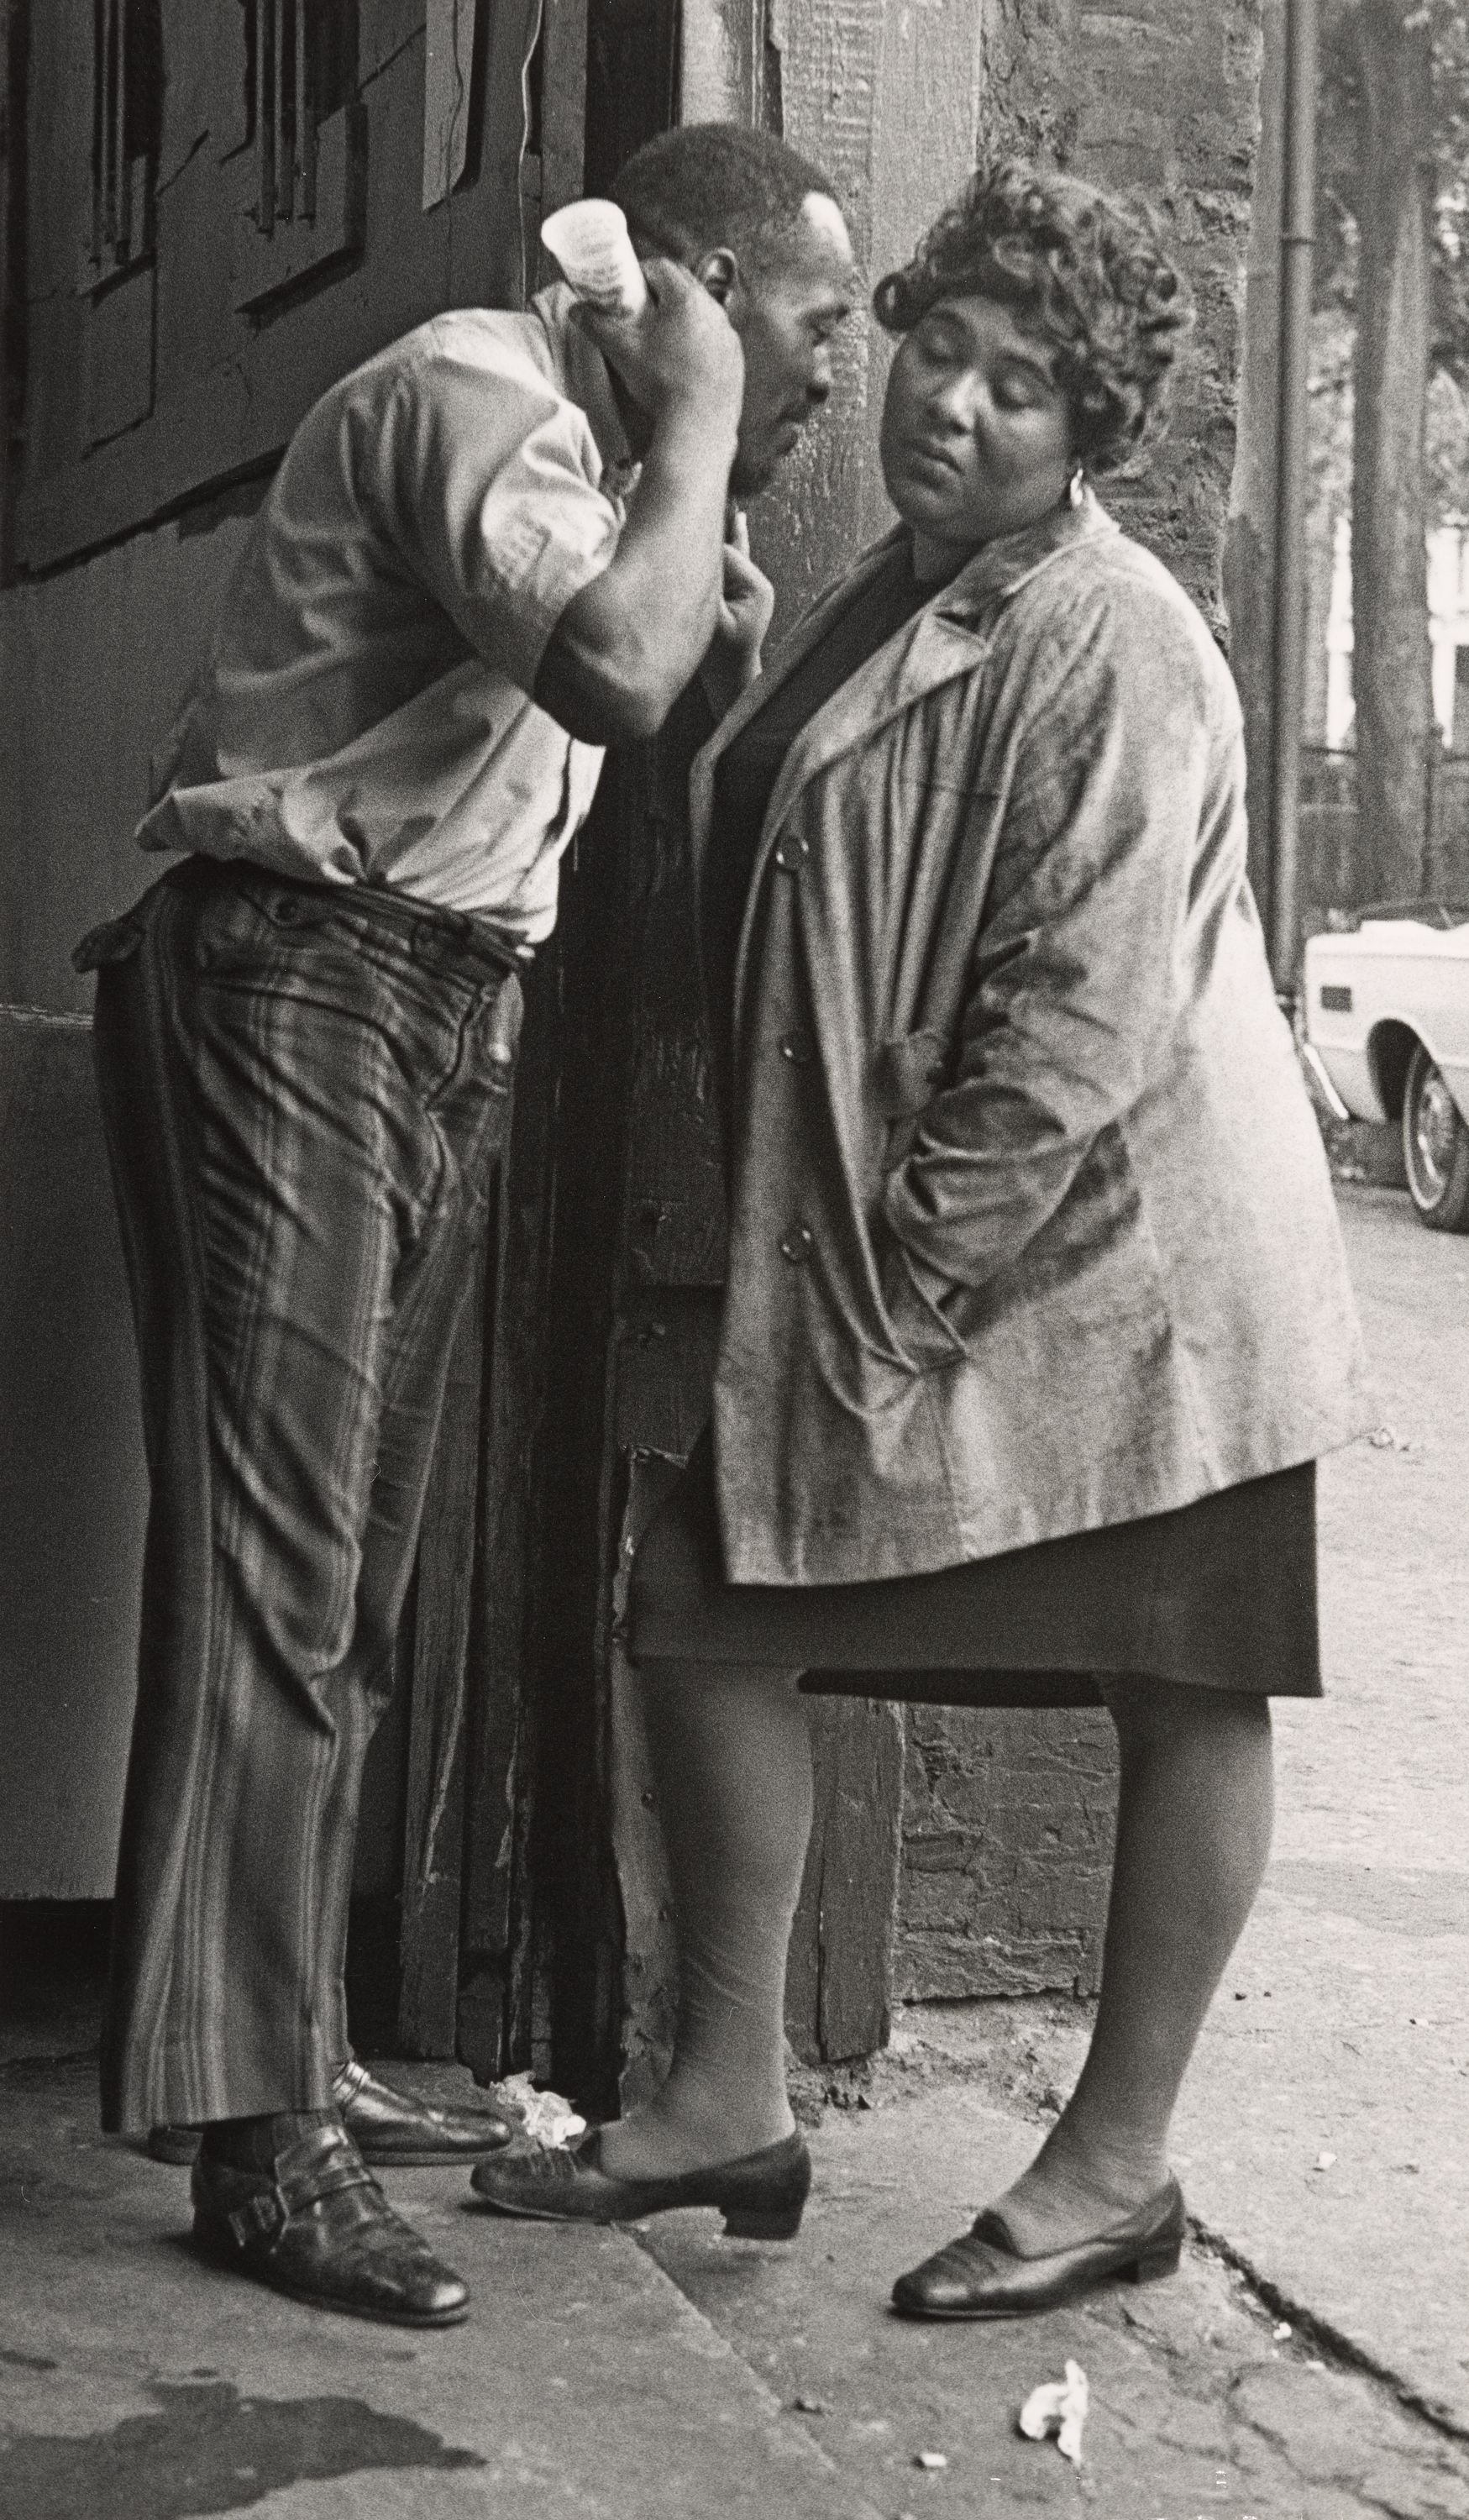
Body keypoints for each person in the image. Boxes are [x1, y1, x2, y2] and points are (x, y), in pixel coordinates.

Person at [468, 160, 1372, 2317]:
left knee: (1183, 1674)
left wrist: (899, 1289)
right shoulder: (870, 584)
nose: (950, 406)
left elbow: (1075, 1012)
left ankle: (1115, 2164)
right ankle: (721, 2102)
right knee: (697, 1610)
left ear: (1089, 439)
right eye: (932, 349)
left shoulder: (1113, 639)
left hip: (1130, 1264)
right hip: (938, 1242)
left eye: (1018, 389)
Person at [75, 122, 858, 2329]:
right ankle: (254, 2141)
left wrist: (686, 497)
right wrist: (695, 418)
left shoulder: (597, 470)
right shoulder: (479, 393)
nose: (823, 374)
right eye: (798, 326)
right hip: (305, 970)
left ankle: (282, 2060)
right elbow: (616, 674)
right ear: (688, 289)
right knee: (285, 1573)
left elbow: (643, 670)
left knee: (354, 1582)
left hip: (430, 1000)